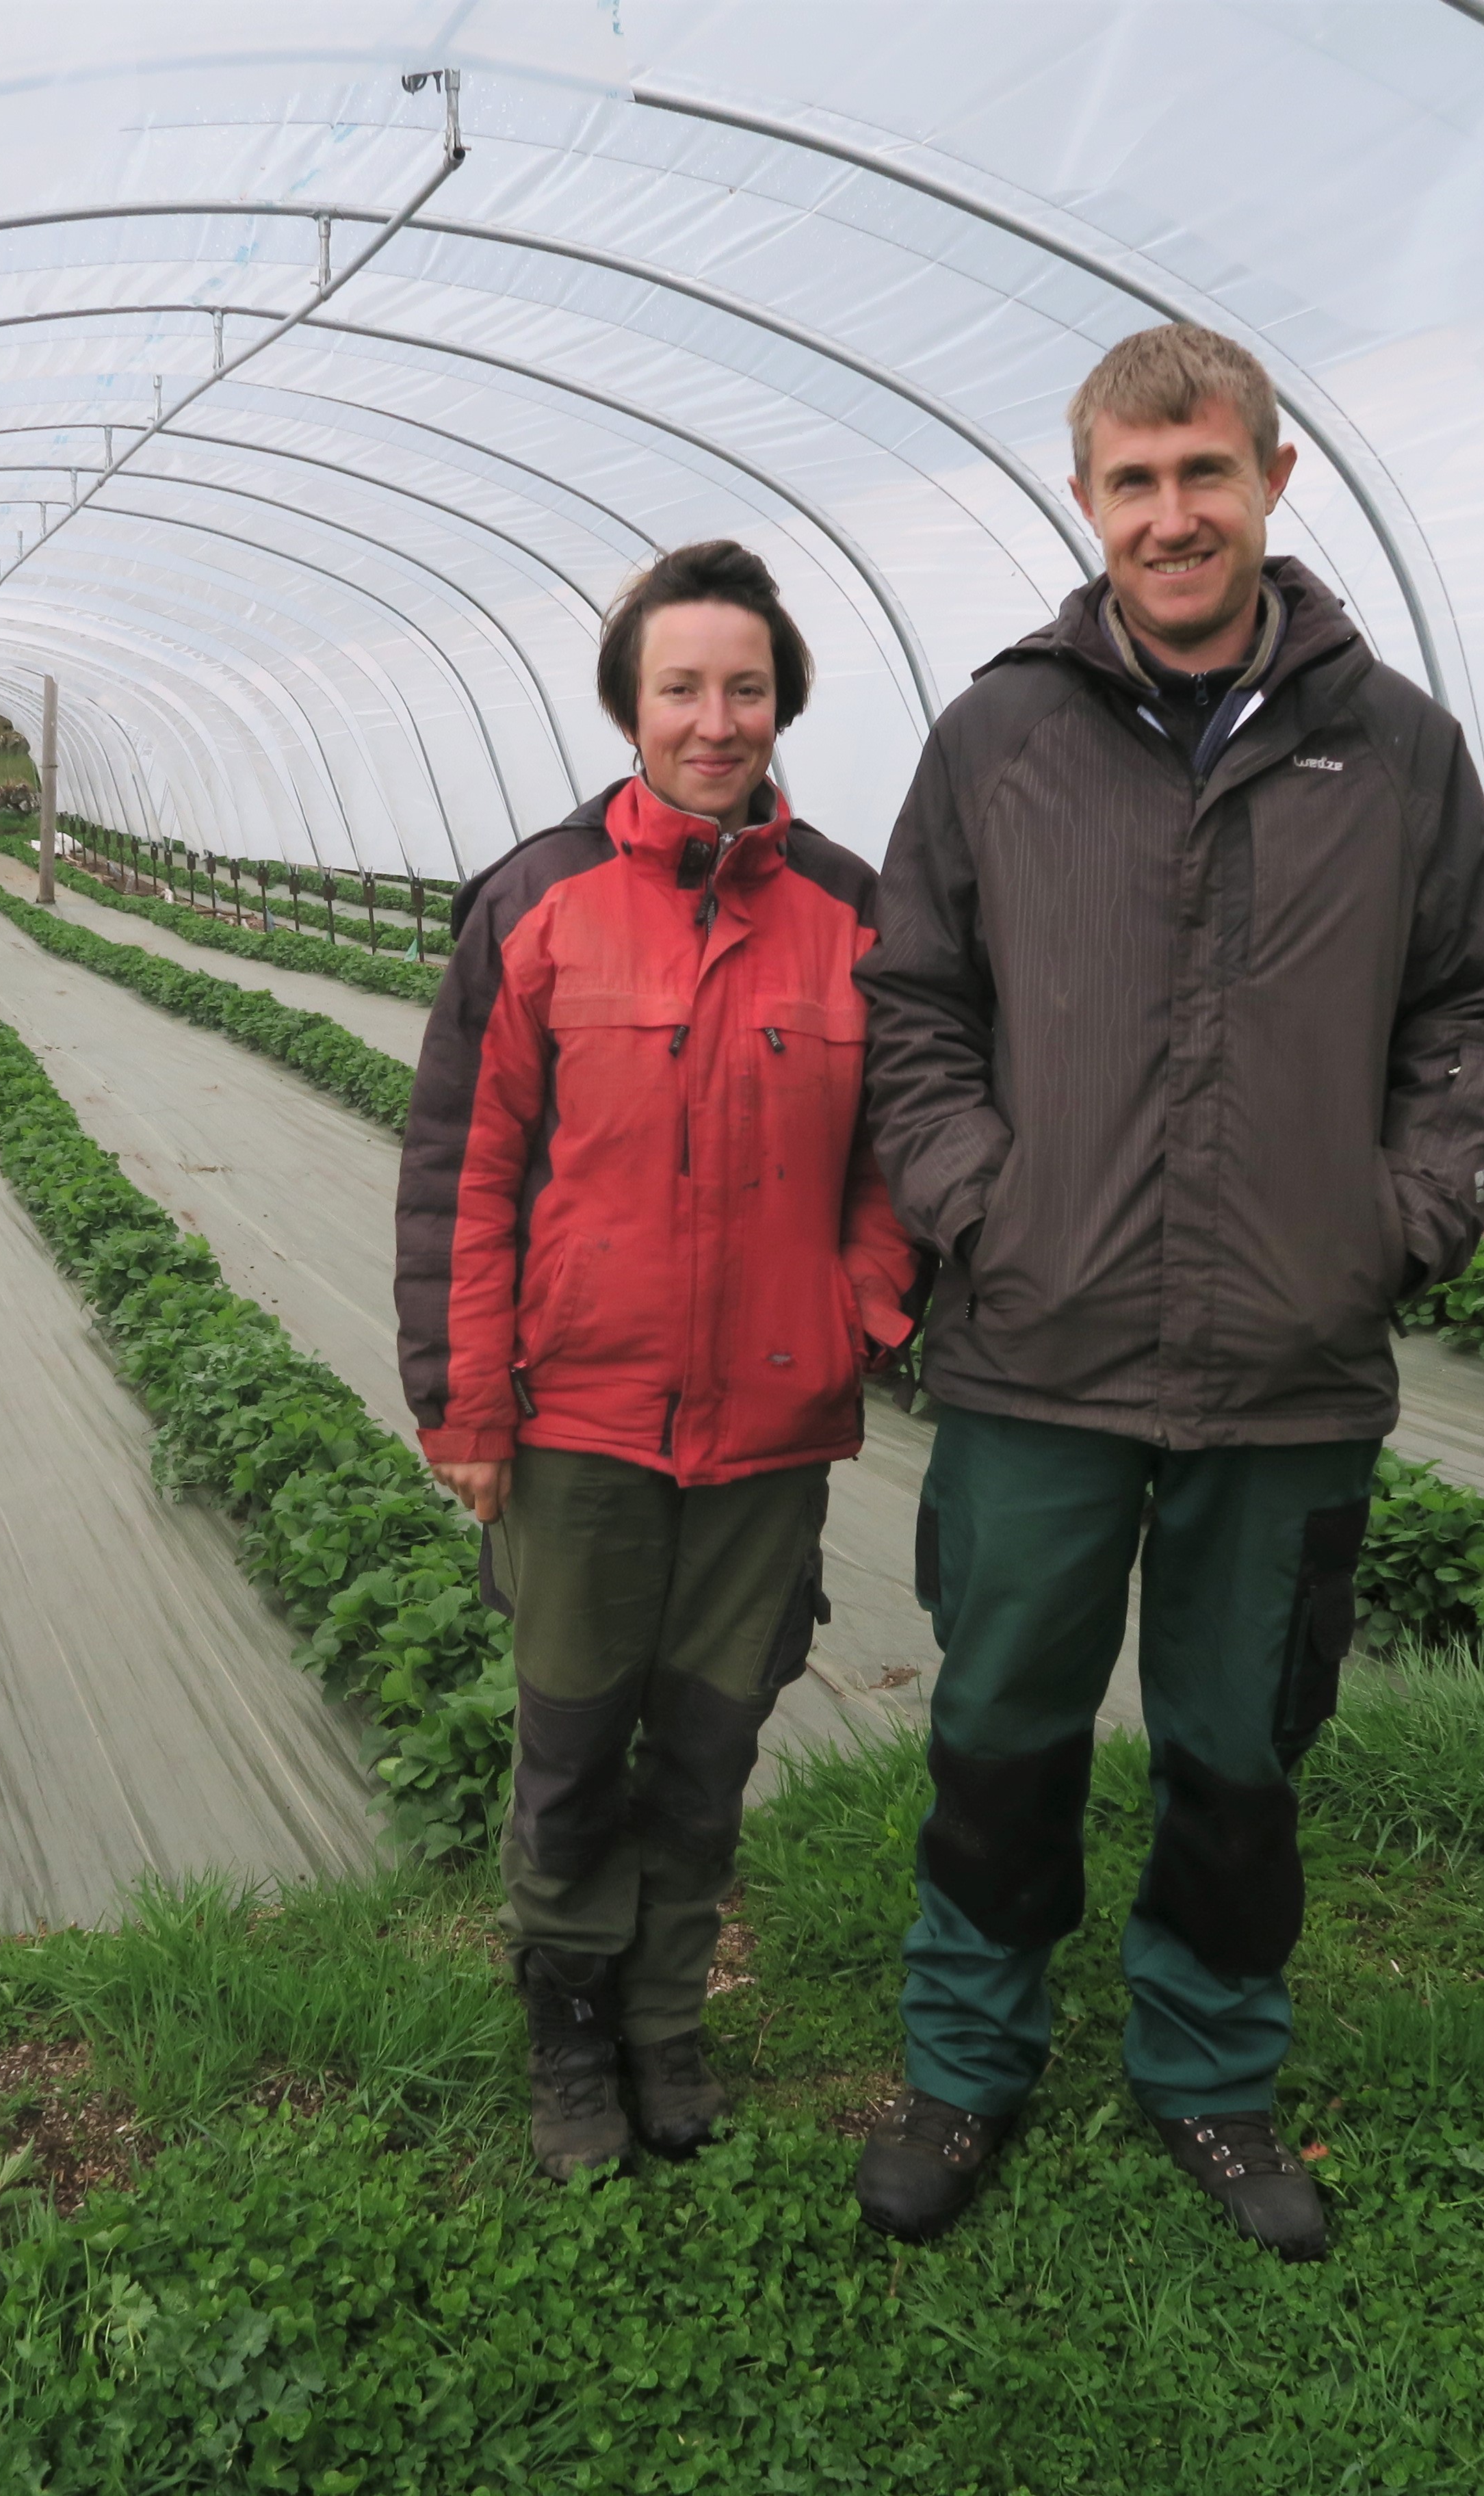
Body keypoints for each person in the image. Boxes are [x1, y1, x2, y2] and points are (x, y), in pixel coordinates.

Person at [850, 324, 1484, 2254]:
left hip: (1289, 1363)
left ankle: (1211, 2073)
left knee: (1242, 1754)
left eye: (1205, 474)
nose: (1173, 515)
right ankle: (967, 2063)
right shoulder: (1000, 736)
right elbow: (914, 1000)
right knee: (1000, 1732)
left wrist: (1394, 1222)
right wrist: (981, 1197)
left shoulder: (1393, 746)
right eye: (1134, 483)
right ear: (1089, 502)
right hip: (1036, 1345)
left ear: (1273, 479)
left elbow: (1481, 1007)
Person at [398, 539, 918, 2179]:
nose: (715, 718)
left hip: (769, 1430)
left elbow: (898, 1155)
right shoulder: (539, 899)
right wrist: (465, 1397)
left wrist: (862, 1312)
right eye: (682, 686)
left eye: (744, 688)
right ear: (633, 701)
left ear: (784, 705)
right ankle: (564, 2034)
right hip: (579, 1423)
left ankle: (664, 2021)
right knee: (568, 1754)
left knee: (707, 1753)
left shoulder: (851, 912)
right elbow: (463, 1168)